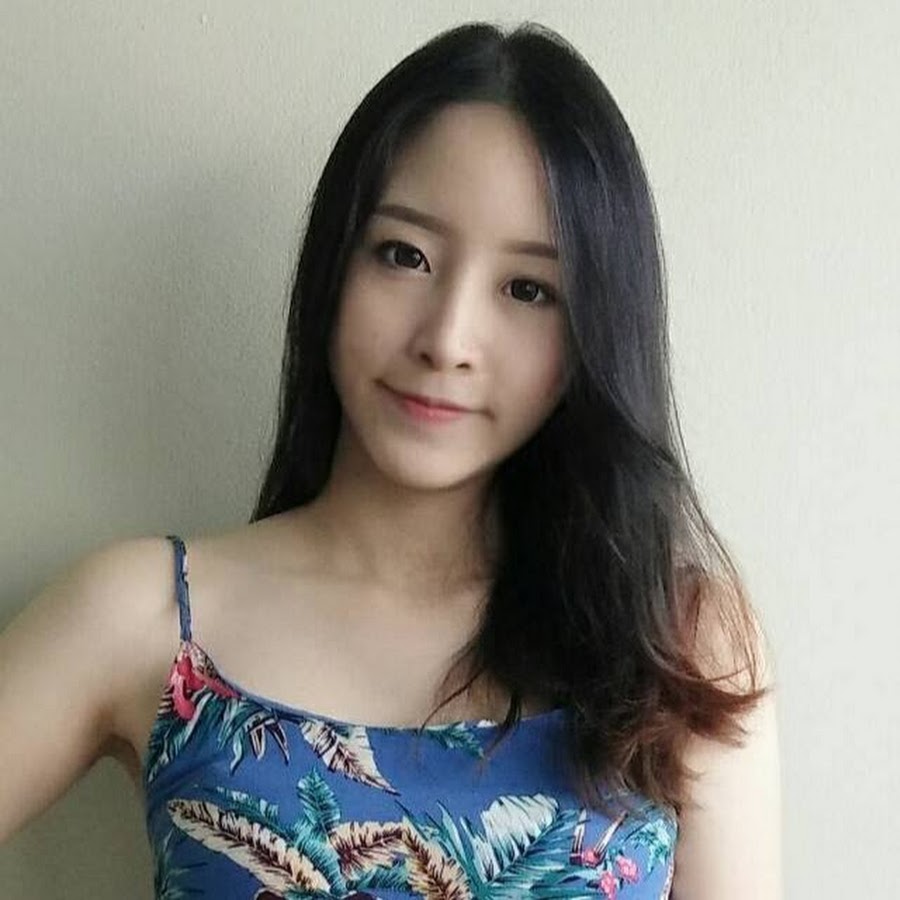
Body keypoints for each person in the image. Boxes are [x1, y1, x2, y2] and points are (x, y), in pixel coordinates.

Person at [0, 19, 781, 900]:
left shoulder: (682, 642)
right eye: (405, 255)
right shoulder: (146, 616)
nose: (448, 339)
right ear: (335, 265)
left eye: (529, 289)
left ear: (592, 330)